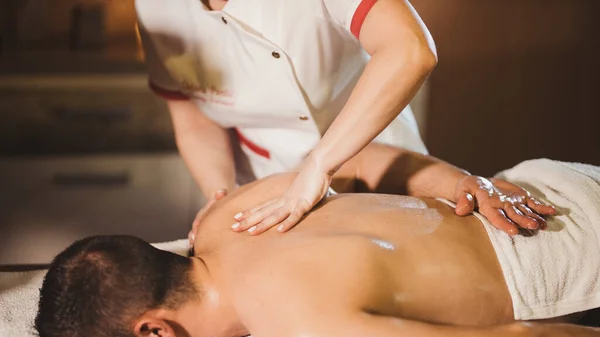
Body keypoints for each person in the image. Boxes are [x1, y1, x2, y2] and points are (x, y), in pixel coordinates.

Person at [35, 146, 600, 337]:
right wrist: (462, 183)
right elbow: (353, 159)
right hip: (538, 182)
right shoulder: (225, 217)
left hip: (567, 257)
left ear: (155, 327)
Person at [136, 0, 534, 239]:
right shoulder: (156, 6)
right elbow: (193, 115)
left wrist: (318, 167)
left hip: (377, 155)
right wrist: (220, 197)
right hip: (262, 183)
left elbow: (410, 50)